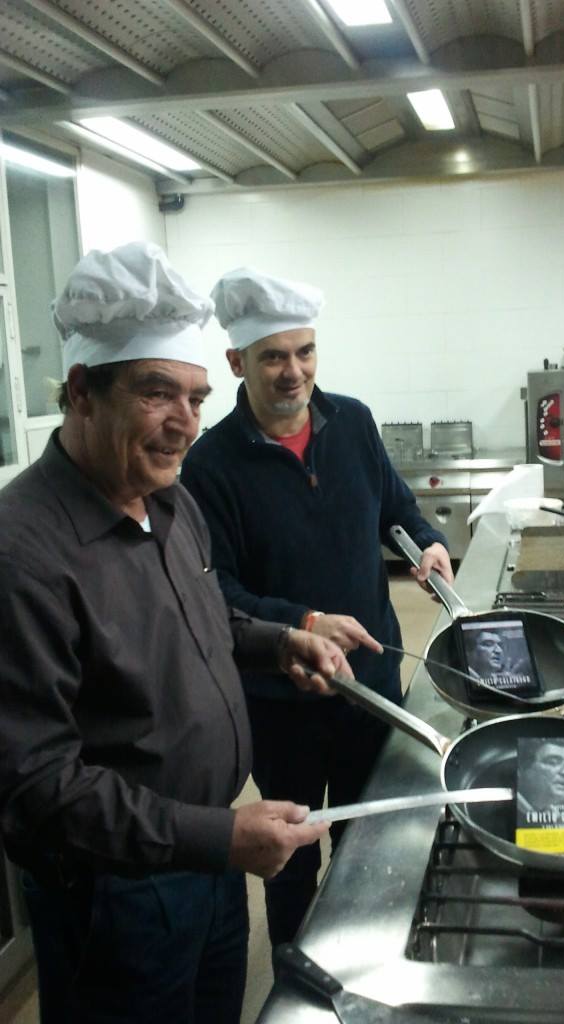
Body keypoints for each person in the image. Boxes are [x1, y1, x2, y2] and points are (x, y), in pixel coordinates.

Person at [0, 242, 353, 1024]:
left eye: (196, 398)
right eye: (158, 394)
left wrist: (277, 641)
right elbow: (36, 785)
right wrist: (214, 837)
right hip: (113, 896)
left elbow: (204, 615)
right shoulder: (24, 553)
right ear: (83, 391)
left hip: (208, 863)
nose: (185, 424)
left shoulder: (167, 500)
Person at [180, 267, 453, 948]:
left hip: (372, 685)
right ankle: (297, 975)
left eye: (304, 351)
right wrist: (301, 621)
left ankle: (371, 963)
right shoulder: (210, 466)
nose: (293, 371)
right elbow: (216, 592)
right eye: (273, 356)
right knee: (292, 858)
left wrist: (429, 543)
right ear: (237, 362)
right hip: (282, 702)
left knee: (375, 841)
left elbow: (397, 508)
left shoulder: (353, 422)